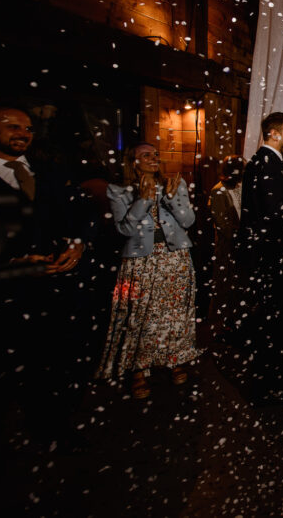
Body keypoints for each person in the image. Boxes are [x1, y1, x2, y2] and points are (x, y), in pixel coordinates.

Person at [0, 103, 93, 450]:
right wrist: (16, 264)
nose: (22, 134)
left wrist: (78, 244)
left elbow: (80, 211)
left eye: (27, 129)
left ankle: (52, 429)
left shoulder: (47, 172)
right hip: (4, 298)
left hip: (54, 291)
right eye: (12, 127)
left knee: (54, 366)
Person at [96, 143, 199, 398]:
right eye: (145, 155)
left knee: (173, 313)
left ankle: (174, 359)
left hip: (175, 257)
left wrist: (172, 197)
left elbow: (188, 221)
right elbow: (124, 230)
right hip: (140, 261)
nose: (153, 158)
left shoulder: (175, 184)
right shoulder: (118, 189)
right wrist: (142, 199)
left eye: (155, 154)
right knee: (139, 316)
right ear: (133, 162)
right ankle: (138, 370)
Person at [235, 111, 283, 401]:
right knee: (270, 321)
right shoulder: (266, 163)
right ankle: (266, 385)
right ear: (274, 134)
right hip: (271, 255)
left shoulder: (268, 162)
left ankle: (272, 378)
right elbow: (276, 214)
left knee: (272, 319)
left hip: (270, 253)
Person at [207, 154, 244, 336]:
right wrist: (240, 237)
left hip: (243, 244)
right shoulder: (219, 191)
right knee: (225, 285)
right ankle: (221, 325)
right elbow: (222, 224)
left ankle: (238, 319)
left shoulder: (243, 187)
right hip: (228, 246)